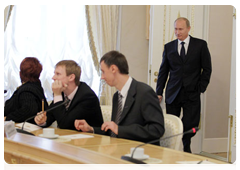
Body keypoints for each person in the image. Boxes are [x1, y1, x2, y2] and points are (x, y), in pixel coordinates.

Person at [75, 51, 165, 144]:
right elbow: (115, 131)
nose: (102, 77)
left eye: (103, 72)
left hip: (141, 152)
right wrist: (91, 129)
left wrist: (119, 129)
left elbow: (157, 129)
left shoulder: (144, 92)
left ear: (113, 69)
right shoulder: (116, 97)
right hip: (119, 149)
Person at [156, 17, 212, 153]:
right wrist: (159, 92)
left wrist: (201, 87)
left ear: (188, 28)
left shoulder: (200, 45)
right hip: (173, 93)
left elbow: (207, 68)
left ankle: (186, 146)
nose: (177, 32)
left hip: (192, 92)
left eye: (180, 29)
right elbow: (163, 71)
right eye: (175, 29)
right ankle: (171, 150)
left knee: (190, 124)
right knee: (172, 124)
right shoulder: (169, 47)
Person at [35, 60, 103, 130]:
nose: (53, 77)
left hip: (91, 139)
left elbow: (64, 124)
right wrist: (42, 121)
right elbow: (51, 115)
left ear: (71, 77)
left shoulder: (87, 96)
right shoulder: (61, 92)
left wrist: (57, 95)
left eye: (58, 74)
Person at [4, 57, 48, 124]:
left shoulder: (27, 90)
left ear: (20, 73)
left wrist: (7, 118)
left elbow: (28, 110)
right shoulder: (36, 87)